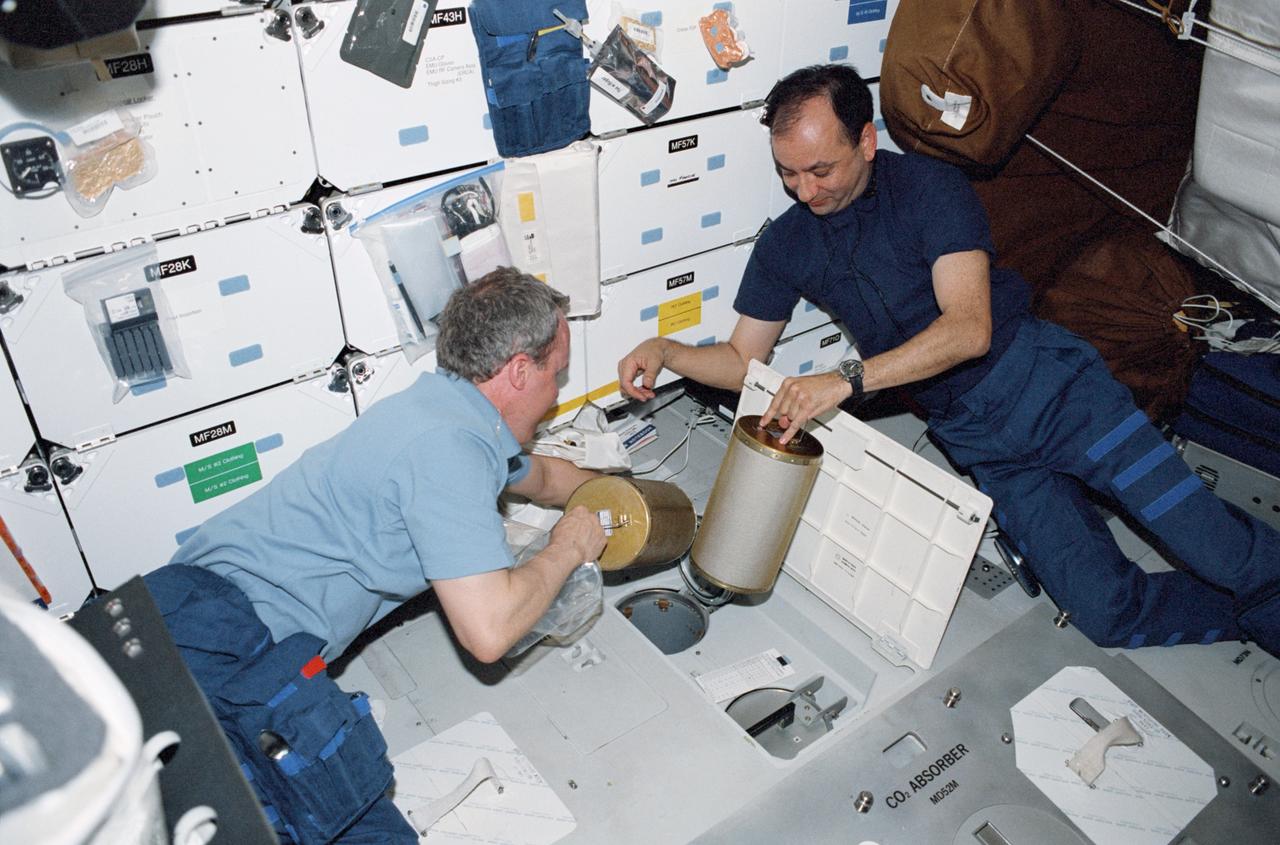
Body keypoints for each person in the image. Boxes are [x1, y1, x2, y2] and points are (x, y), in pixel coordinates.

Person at [618, 63, 1280, 660]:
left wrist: (846, 380)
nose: (805, 190)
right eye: (788, 173)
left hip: (1055, 392)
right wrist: (668, 351)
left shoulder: (929, 187)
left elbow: (968, 330)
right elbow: (743, 360)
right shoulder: (786, 245)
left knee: (1223, 552)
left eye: (821, 170)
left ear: (866, 141)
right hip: (978, 441)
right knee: (1107, 614)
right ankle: (1263, 616)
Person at [146, 268, 606, 844]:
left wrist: (617, 493)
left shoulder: (444, 411)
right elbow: (489, 632)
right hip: (223, 651)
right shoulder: (448, 451)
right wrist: (567, 547)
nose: (557, 392)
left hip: (182, 608)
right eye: (555, 374)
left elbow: (543, 479)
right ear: (519, 371)